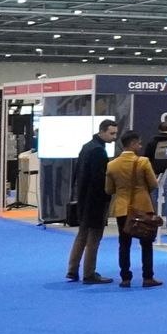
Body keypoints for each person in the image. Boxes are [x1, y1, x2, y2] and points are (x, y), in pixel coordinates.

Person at [67, 119, 118, 285]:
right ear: (102, 131)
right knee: (94, 237)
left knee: (82, 235)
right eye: (111, 133)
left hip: (83, 198)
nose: (114, 137)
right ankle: (89, 273)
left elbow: (77, 173)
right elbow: (99, 179)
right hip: (95, 200)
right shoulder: (98, 151)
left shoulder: (87, 146)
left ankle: (72, 269)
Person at [108, 132, 162, 289]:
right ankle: (147, 277)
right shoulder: (143, 162)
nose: (140, 146)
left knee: (124, 244)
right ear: (132, 144)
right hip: (143, 208)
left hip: (122, 209)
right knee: (146, 243)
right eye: (138, 143)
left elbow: (109, 189)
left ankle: (125, 278)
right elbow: (153, 184)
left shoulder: (112, 165)